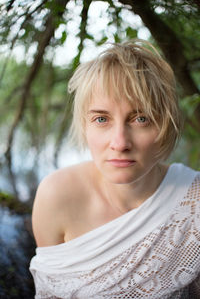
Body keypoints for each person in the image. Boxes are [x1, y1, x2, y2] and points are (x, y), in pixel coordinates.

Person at [29, 39, 200, 299]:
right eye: (101, 119)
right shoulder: (56, 196)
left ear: (167, 124)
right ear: (85, 125)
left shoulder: (194, 202)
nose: (119, 143)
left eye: (141, 119)